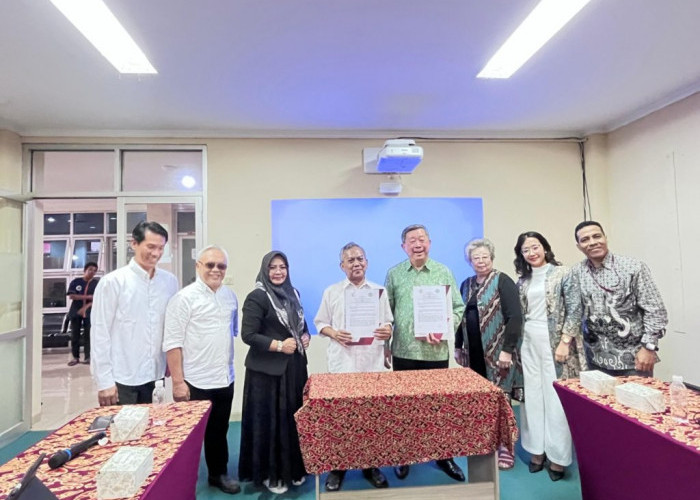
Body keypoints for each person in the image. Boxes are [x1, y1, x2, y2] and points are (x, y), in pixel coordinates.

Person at [384, 224, 466, 482]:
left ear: (429, 243)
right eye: (411, 240)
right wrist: (385, 345)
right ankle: (403, 455)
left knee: (437, 408)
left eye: (421, 239)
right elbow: (387, 313)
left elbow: (458, 308)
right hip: (404, 352)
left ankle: (443, 456)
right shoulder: (394, 274)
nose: (417, 244)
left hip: (435, 352)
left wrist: (444, 329)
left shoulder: (443, 272)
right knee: (404, 408)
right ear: (403, 247)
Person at [314, 242, 393, 492]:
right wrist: (335, 334)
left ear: (367, 262)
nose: (356, 263)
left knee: (371, 417)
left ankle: (371, 466)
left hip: (372, 361)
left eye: (360, 259)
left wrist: (387, 330)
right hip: (343, 363)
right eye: (351, 260)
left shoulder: (379, 291)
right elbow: (320, 323)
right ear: (342, 266)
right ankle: (338, 467)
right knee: (342, 418)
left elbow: (389, 323)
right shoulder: (332, 292)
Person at [163, 245, 240, 495]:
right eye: (210, 265)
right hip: (194, 381)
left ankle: (218, 474)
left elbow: (233, 333)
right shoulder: (183, 299)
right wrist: (178, 382)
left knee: (219, 431)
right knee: (189, 436)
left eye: (221, 266)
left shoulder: (230, 297)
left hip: (224, 378)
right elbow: (172, 343)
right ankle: (183, 480)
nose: (216, 270)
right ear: (198, 266)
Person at [513, 231, 586, 481]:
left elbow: (576, 309)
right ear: (521, 255)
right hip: (528, 342)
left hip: (556, 342)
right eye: (526, 250)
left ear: (544, 247)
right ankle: (536, 451)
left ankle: (558, 458)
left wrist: (566, 341)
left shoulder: (562, 273)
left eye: (535, 247)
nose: (531, 252)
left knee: (555, 398)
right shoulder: (522, 280)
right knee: (532, 395)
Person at [238, 251, 310, 495]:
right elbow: (248, 335)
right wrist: (279, 345)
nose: (278, 272)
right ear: (265, 270)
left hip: (294, 369)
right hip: (267, 374)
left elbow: (300, 324)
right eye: (273, 267)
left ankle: (294, 470)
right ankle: (272, 474)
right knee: (272, 421)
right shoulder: (257, 296)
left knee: (292, 418)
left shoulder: (293, 293)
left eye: (282, 267)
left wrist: (305, 336)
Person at [91, 221, 179, 406]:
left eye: (161, 248)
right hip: (122, 376)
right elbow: (100, 333)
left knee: (154, 429)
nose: (156, 253)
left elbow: (171, 326)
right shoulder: (113, 282)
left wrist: (171, 362)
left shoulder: (169, 282)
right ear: (134, 244)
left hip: (156, 375)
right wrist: (104, 380)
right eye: (151, 247)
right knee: (125, 432)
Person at [455, 238, 522, 470]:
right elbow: (459, 316)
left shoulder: (503, 281)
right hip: (472, 353)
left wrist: (507, 350)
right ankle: (485, 440)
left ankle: (506, 447)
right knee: (480, 399)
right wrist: (457, 346)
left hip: (498, 351)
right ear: (470, 261)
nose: (481, 261)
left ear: (491, 258)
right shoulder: (466, 284)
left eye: (485, 256)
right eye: (476, 258)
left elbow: (515, 317)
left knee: (502, 399)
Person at [568, 221, 667, 376]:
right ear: (579, 246)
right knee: (599, 400)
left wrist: (649, 347)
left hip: (633, 359)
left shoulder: (633, 267)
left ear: (605, 237)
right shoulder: (576, 272)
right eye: (585, 239)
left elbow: (655, 310)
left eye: (596, 236)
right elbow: (574, 310)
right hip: (594, 358)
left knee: (636, 400)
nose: (592, 242)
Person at [66, 261, 99, 366]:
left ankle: (88, 357)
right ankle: (75, 357)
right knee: (75, 335)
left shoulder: (97, 283)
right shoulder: (76, 282)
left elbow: (97, 299)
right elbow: (72, 296)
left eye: (94, 271)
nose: (92, 272)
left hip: (89, 313)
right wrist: (88, 297)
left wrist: (86, 307)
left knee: (89, 335)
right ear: (85, 270)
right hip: (76, 312)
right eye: (90, 270)